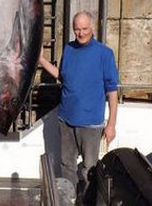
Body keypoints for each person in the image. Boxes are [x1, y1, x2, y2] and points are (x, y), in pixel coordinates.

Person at [38, 11, 119, 205]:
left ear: (92, 28)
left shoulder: (104, 54)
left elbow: (112, 91)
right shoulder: (69, 49)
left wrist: (111, 125)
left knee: (90, 168)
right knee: (67, 164)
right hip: (65, 119)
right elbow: (63, 76)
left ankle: (89, 200)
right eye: (76, 29)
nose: (80, 33)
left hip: (91, 124)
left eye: (84, 29)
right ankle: (70, 200)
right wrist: (41, 61)